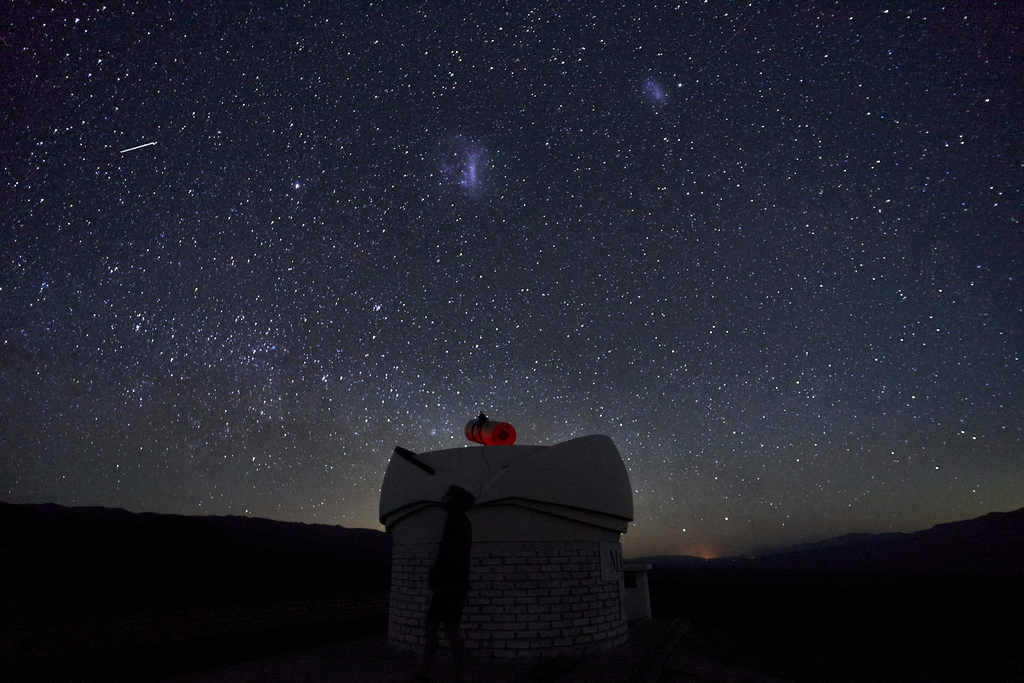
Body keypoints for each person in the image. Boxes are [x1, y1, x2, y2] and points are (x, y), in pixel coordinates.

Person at [412, 485, 475, 683]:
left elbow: (448, 554)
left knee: (435, 629)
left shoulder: (454, 520)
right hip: (455, 584)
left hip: (448, 585)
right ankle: (458, 677)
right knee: (451, 630)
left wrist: (437, 578)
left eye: (447, 495)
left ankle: (426, 674)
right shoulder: (462, 521)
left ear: (453, 499)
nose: (443, 498)